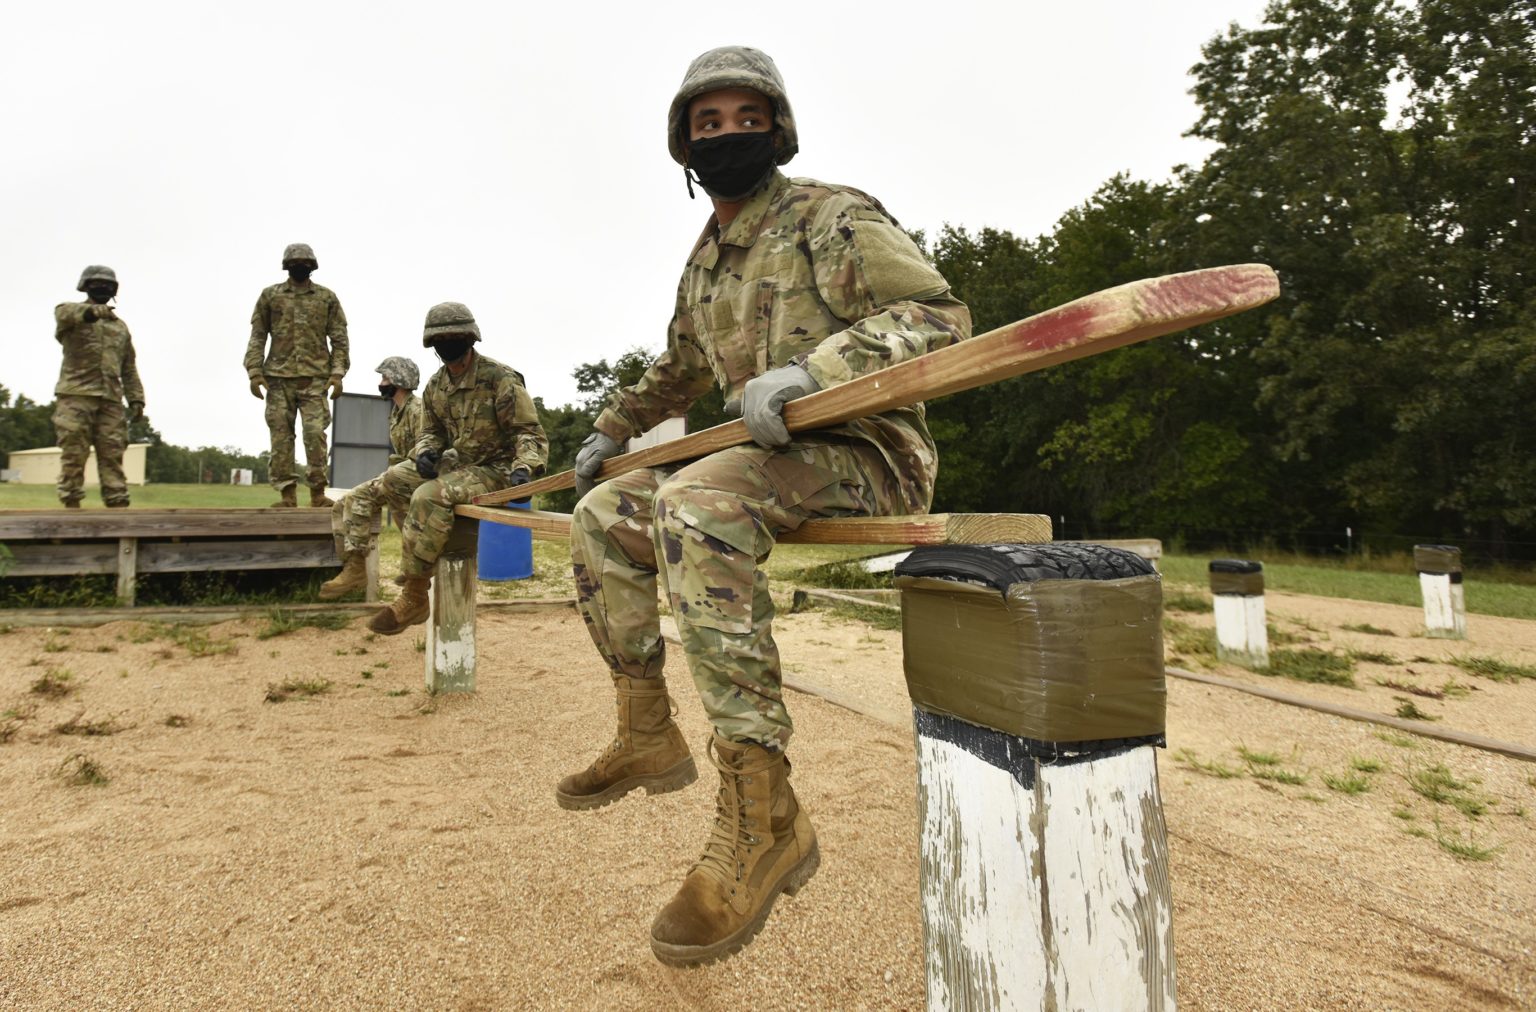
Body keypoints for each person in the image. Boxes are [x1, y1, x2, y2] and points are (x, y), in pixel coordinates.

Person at [561, 46, 972, 966]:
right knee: (605, 513)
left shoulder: (830, 214)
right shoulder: (706, 262)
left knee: (696, 501)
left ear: (778, 130)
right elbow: (677, 366)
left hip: (869, 453)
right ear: (684, 145)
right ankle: (647, 730)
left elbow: (939, 317)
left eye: (747, 118)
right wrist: (609, 427)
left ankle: (763, 813)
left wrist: (814, 371)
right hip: (764, 462)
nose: (728, 134)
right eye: (708, 122)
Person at [368, 302, 549, 634]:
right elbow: (430, 431)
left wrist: (525, 468)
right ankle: (422, 554)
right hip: (460, 465)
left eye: (454, 338)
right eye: (440, 340)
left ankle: (414, 594)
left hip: (499, 469)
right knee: (395, 479)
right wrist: (426, 451)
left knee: (428, 495)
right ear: (432, 345)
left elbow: (528, 431)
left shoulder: (499, 378)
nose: (447, 344)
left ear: (470, 338)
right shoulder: (436, 386)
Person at [244, 242, 349, 508]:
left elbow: (339, 339)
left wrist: (337, 374)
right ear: (286, 266)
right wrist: (254, 371)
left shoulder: (326, 298)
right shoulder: (271, 296)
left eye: (304, 263)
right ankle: (287, 495)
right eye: (294, 263)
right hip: (277, 380)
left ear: (312, 266)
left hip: (315, 380)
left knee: (315, 434)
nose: (299, 266)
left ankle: (317, 494)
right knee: (281, 438)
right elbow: (258, 335)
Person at [318, 356, 425, 601]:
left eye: (385, 378)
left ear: (399, 380)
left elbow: (426, 453)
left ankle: (407, 567)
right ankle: (353, 566)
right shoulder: (398, 412)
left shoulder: (418, 411)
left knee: (368, 494)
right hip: (402, 474)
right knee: (344, 503)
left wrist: (394, 474)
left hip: (416, 476)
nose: (381, 383)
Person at [53, 265, 146, 509]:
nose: (103, 288)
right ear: (85, 286)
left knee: (113, 452)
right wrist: (91, 313)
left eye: (108, 285)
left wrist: (136, 398)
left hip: (110, 399)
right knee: (74, 452)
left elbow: (129, 367)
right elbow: (64, 314)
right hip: (76, 395)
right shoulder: (70, 313)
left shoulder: (120, 327)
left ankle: (117, 504)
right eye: (97, 284)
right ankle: (71, 503)